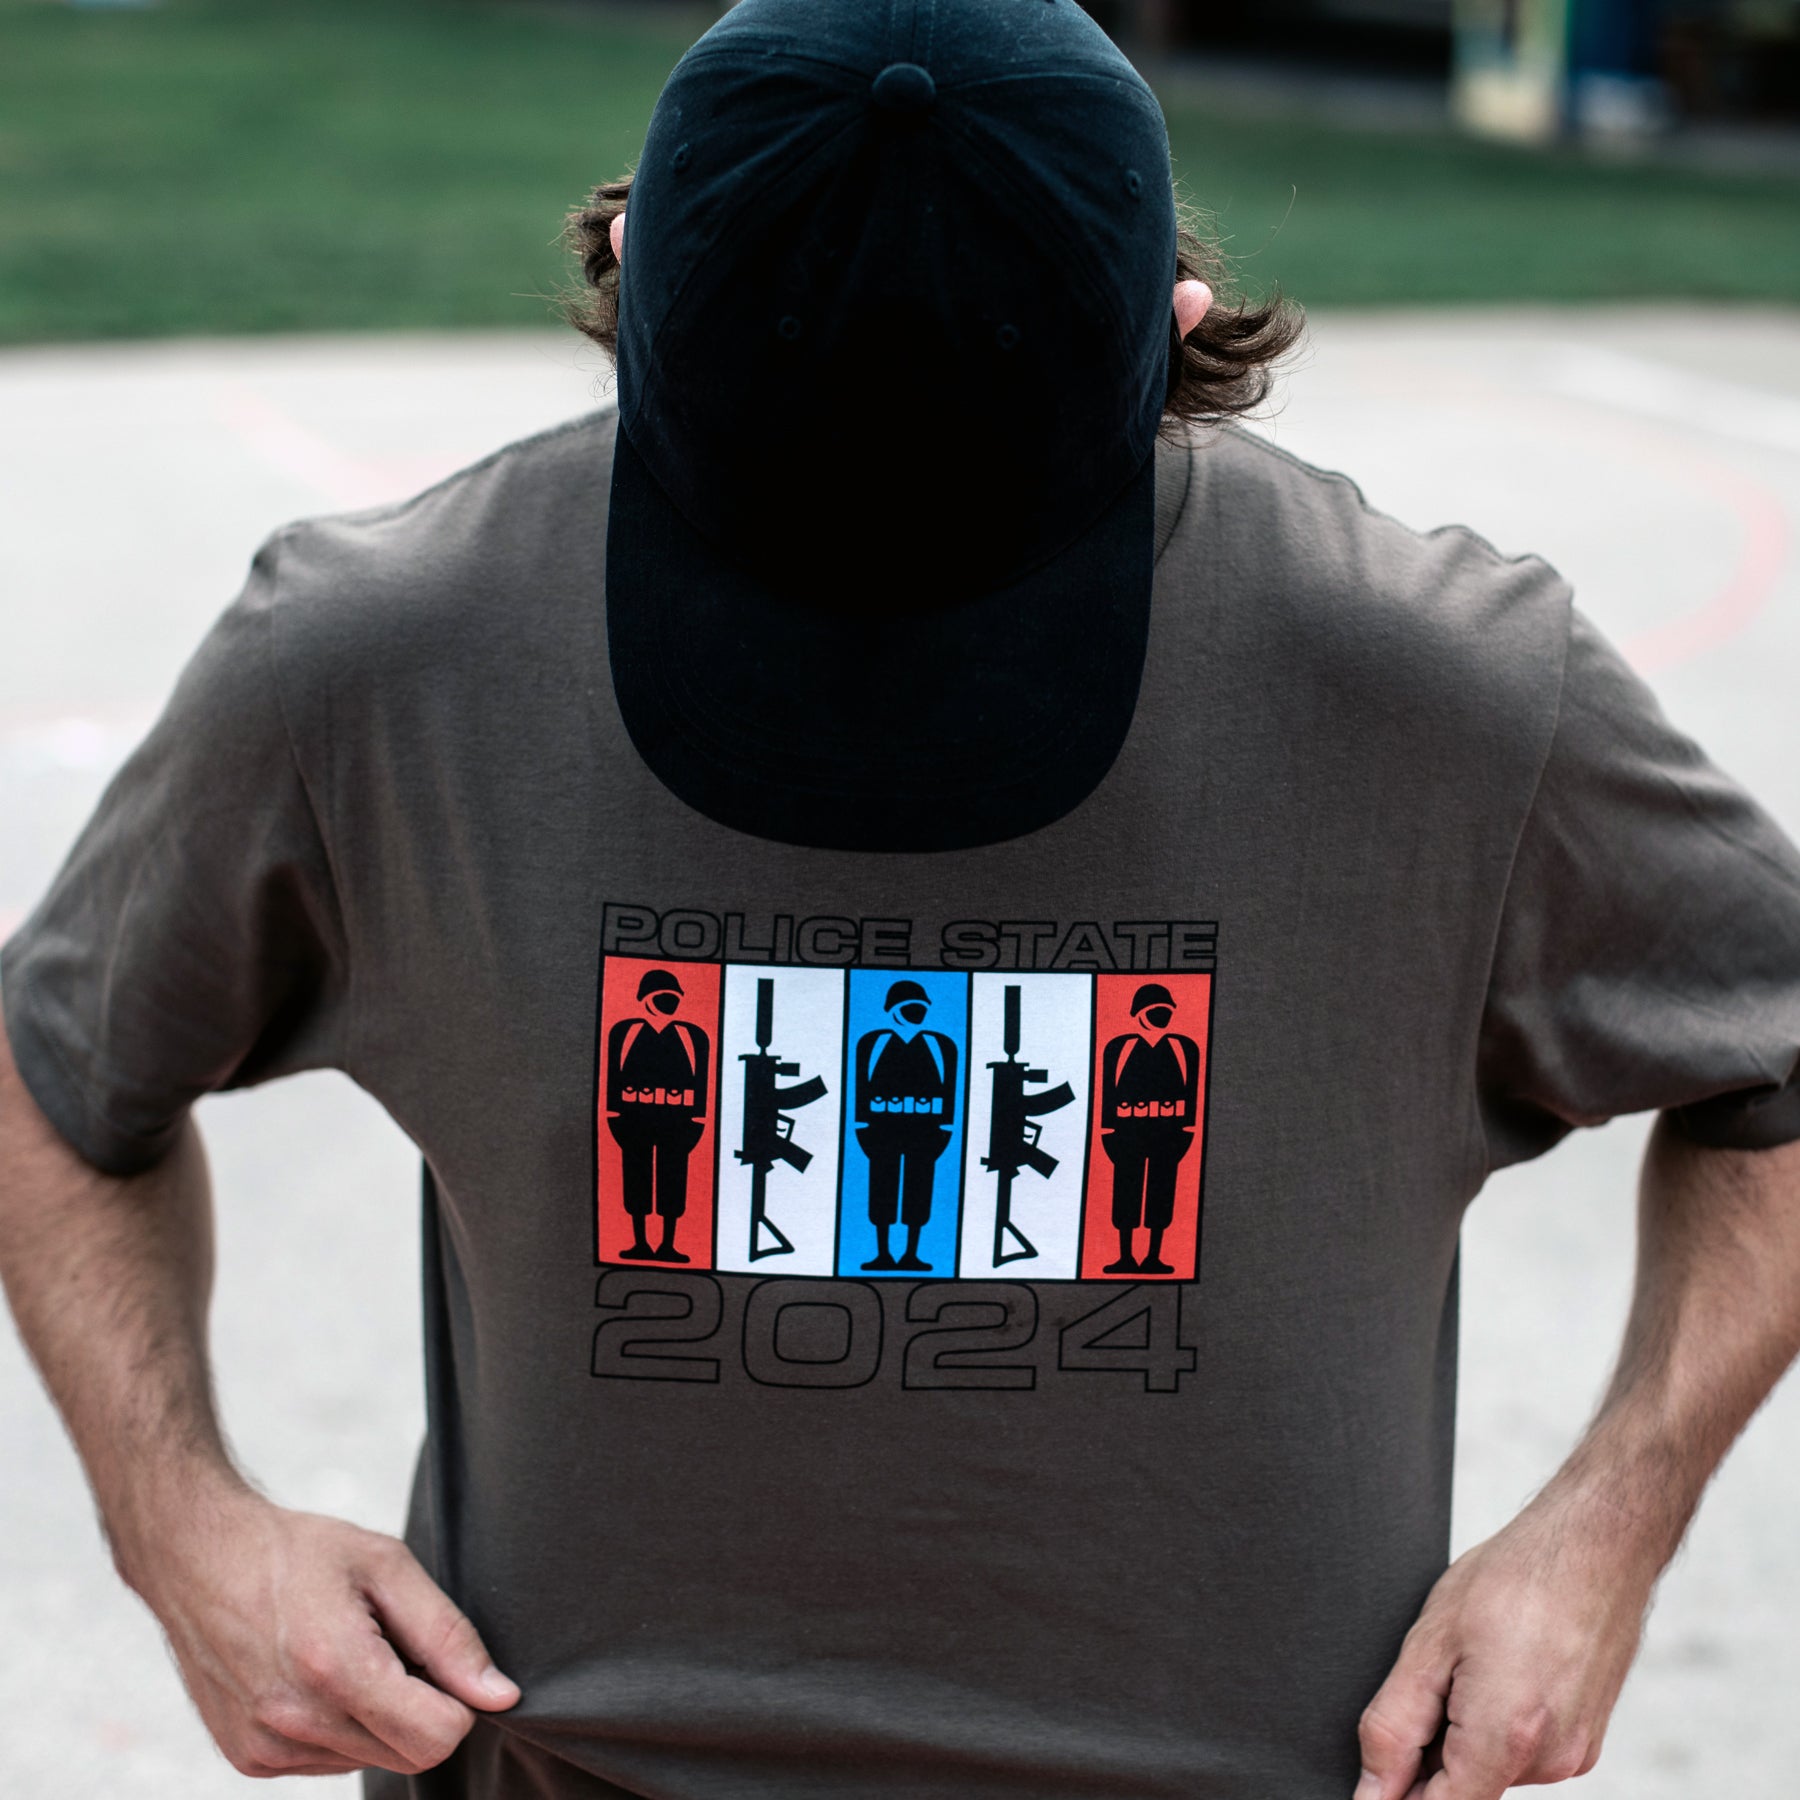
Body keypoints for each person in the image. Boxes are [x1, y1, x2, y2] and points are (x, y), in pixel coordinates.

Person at [2, 1, 1799, 1797]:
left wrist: (1604, 1532)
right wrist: (182, 1527)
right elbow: (49, 1063)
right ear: (1169, 313)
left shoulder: (1435, 691)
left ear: (633, 272)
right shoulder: (377, 658)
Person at [604, 967, 711, 1264]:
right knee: (635, 1178)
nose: (670, 1002)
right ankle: (639, 1242)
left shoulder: (692, 1036)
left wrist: (698, 1121)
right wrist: (614, 1116)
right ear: (646, 998)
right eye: (663, 996)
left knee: (673, 1181)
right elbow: (613, 1076)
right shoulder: (625, 1032)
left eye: (674, 996)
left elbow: (702, 1081)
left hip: (678, 1121)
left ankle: (668, 1244)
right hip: (633, 1118)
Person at [852, 979, 960, 1271]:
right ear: (894, 1009)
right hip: (881, 1129)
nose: (918, 1012)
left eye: (922, 1007)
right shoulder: (873, 1043)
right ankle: (883, 1254)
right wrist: (861, 1128)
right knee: (882, 1189)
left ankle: (912, 1253)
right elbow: (860, 1088)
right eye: (911, 1006)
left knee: (919, 1190)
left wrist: (945, 1130)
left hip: (926, 1131)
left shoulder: (941, 1045)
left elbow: (950, 1091)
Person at [1098, 981, 1199, 1274]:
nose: (1163, 1015)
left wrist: (1187, 1131)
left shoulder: (1183, 1047)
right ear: (1140, 1012)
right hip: (1126, 1132)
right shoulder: (1120, 1047)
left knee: (1162, 1191)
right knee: (1126, 1190)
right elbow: (1107, 1091)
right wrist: (1107, 1132)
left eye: (1167, 1010)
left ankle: (1154, 1256)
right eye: (1156, 1009)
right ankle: (1125, 1256)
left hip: (1169, 1132)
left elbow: (1191, 1092)